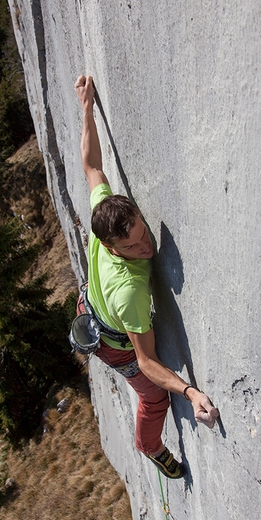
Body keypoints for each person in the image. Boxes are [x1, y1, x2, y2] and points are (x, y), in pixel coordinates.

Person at [74, 74, 219, 479]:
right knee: (154, 398)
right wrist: (189, 391)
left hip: (91, 301)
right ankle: (149, 446)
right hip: (113, 339)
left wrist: (86, 108)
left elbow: (92, 167)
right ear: (110, 248)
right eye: (134, 248)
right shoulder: (132, 293)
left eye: (142, 233)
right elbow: (146, 360)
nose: (147, 249)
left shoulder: (107, 210)